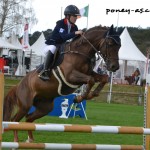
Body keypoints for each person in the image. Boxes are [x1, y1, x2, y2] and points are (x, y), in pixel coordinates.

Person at [38, 5, 83, 80]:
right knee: (53, 48)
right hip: (50, 45)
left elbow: (75, 40)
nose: (76, 18)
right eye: (74, 16)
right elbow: (64, 37)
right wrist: (75, 33)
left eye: (77, 16)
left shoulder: (74, 27)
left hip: (61, 46)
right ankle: (44, 71)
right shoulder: (60, 23)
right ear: (68, 16)